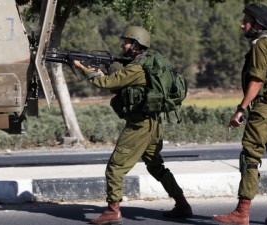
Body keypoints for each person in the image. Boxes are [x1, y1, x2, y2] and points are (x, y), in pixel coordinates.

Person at [74, 26, 192, 225]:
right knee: (156, 166)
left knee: (115, 167)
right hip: (153, 122)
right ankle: (182, 204)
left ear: (136, 45)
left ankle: (113, 210)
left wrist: (83, 69)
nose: (123, 44)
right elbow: (119, 82)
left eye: (126, 41)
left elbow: (107, 83)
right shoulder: (148, 61)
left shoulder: (136, 68)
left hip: (139, 125)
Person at [212, 3, 267, 225]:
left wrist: (241, 109)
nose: (242, 25)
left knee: (250, 157)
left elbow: (257, 80)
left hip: (262, 109)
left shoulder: (261, 44)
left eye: (246, 21)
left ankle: (242, 212)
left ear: (258, 24)